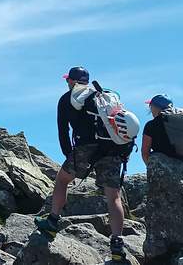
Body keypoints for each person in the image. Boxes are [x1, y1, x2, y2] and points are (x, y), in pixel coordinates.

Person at [35, 66, 130, 263]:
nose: (66, 82)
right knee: (114, 197)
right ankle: (117, 247)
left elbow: (63, 131)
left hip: (85, 148)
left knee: (62, 180)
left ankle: (52, 222)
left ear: (71, 80)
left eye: (67, 80)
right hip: (112, 150)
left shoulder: (67, 99)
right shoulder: (104, 97)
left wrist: (69, 155)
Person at [141, 94, 183, 166]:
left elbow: (145, 152)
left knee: (153, 155)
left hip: (167, 161)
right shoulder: (182, 119)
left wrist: (151, 169)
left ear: (155, 107)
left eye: (150, 106)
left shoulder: (151, 125)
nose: (150, 109)